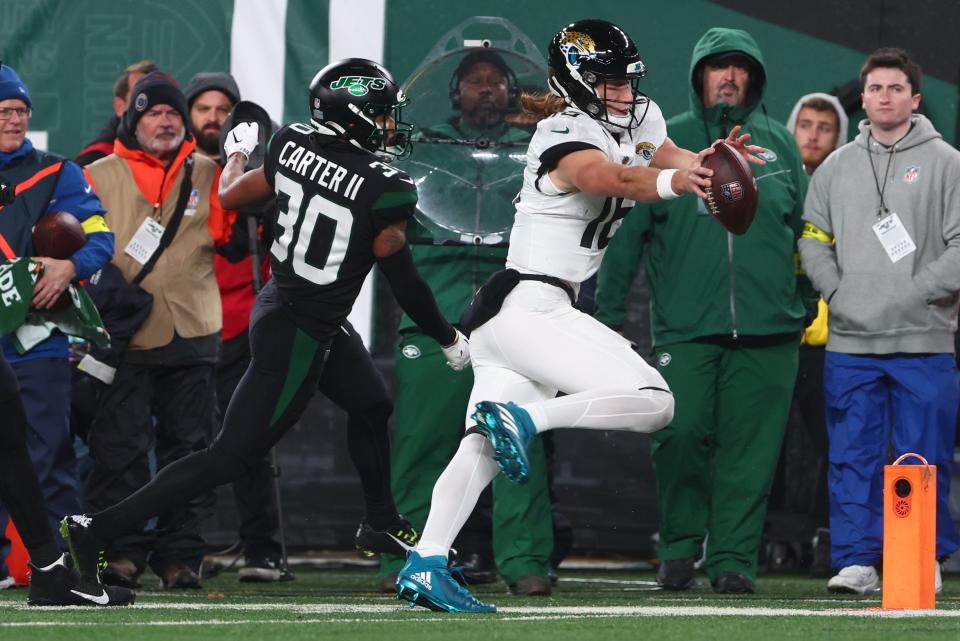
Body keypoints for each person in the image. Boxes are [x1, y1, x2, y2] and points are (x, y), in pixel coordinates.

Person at [59, 57, 469, 593]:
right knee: (227, 456)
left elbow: (230, 194)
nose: (390, 125)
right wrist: (446, 335)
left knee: (371, 404)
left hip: (283, 304)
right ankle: (97, 529)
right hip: (301, 327)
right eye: (382, 114)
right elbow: (404, 279)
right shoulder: (386, 186)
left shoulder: (292, 142)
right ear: (355, 116)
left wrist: (234, 154)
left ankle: (380, 519)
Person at [395, 19, 763, 613]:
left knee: (479, 449)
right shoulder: (559, 132)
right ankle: (527, 419)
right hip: (530, 306)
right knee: (655, 401)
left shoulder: (638, 118)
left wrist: (714, 164)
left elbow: (666, 156)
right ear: (576, 81)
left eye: (627, 80)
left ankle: (427, 563)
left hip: (511, 316)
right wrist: (679, 180)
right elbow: (611, 177)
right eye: (610, 81)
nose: (624, 91)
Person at [594, 27, 814, 595]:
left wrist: (807, 300)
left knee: (751, 452)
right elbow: (627, 236)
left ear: (755, 78)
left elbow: (805, 232)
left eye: (740, 68)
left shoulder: (779, 145)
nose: (729, 77)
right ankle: (679, 548)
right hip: (686, 329)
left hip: (771, 330)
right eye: (718, 67)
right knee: (681, 434)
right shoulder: (670, 142)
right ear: (699, 77)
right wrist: (609, 316)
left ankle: (735, 559)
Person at [378, 48, 555, 596]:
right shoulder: (416, 147)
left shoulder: (541, 151)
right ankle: (403, 558)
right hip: (434, 315)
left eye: (496, 82)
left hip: (514, 313)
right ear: (454, 93)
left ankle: (525, 562)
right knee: (419, 444)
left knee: (517, 444)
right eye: (473, 81)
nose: (485, 89)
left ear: (511, 93)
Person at [798, 48, 960, 595]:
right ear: (863, 98)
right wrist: (837, 291)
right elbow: (812, 237)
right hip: (850, 340)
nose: (884, 97)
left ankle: (922, 557)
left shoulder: (949, 163)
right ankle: (858, 560)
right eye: (875, 89)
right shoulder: (838, 166)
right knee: (852, 455)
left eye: (896, 89)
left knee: (922, 455)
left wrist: (919, 291)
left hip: (924, 335)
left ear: (915, 99)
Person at [82, 71, 230, 590]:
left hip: (194, 329)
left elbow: (234, 233)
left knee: (189, 451)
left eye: (171, 112)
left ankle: (180, 557)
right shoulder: (96, 173)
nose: (164, 121)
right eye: (152, 113)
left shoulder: (214, 172)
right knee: (117, 449)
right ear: (132, 120)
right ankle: (120, 552)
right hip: (123, 334)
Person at [0, 62, 115, 566]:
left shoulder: (58, 172)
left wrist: (69, 265)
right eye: (4, 111)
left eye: (21, 111)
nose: (15, 120)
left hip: (37, 339)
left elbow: (102, 238)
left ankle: (69, 563)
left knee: (51, 455)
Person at [766, 93, 848, 575]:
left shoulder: (852, 189)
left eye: (825, 127)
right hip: (775, 333)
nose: (814, 135)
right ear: (791, 130)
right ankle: (767, 540)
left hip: (833, 343)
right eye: (806, 125)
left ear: (838, 137)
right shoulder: (770, 186)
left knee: (834, 444)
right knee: (765, 445)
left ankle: (824, 536)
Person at [76, 60, 158, 166]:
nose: (153, 105)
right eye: (140, 98)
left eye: (160, 97)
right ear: (120, 106)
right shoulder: (94, 162)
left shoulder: (180, 155)